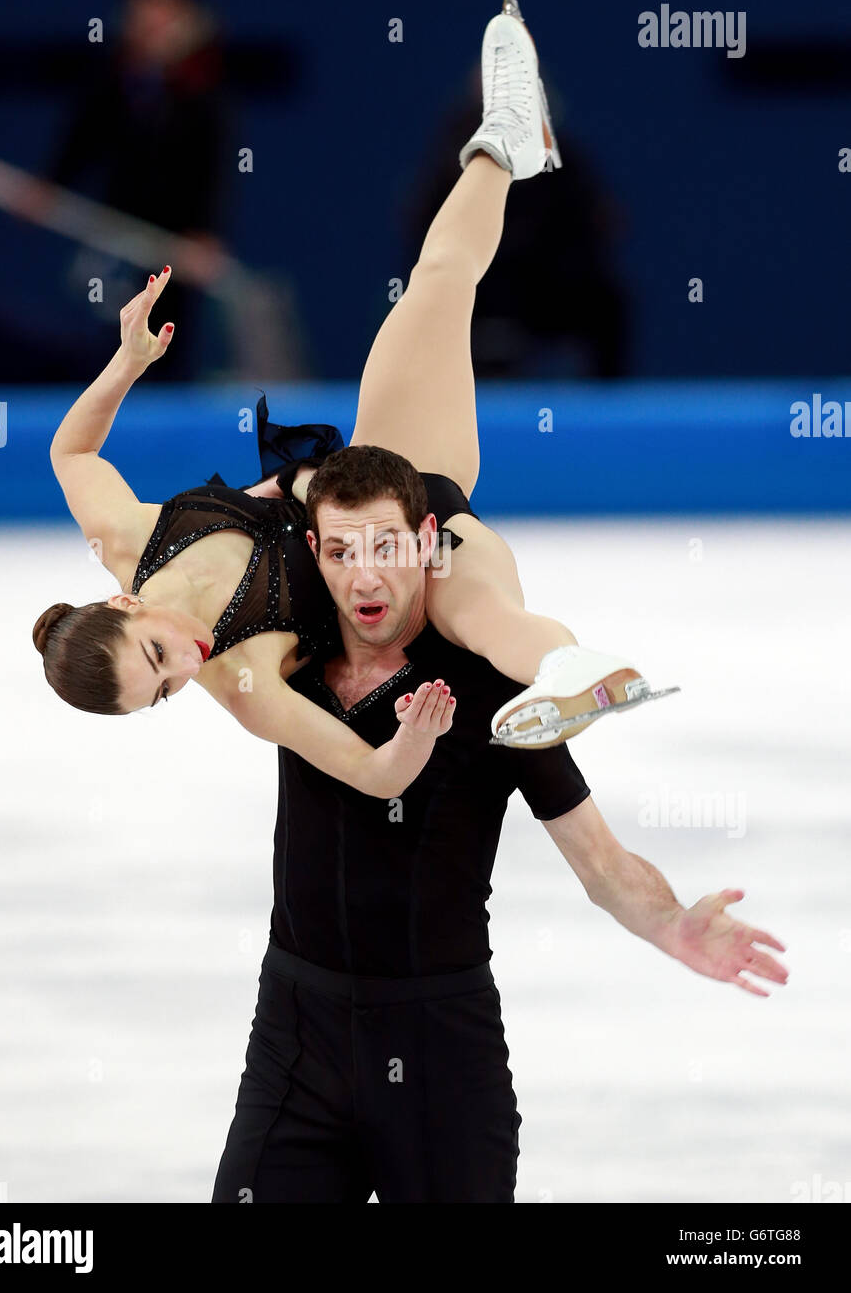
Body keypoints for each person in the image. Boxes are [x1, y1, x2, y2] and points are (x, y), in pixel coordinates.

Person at [33, 0, 675, 798]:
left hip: (384, 467)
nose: (182, 667)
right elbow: (373, 776)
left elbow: (72, 452)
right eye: (161, 694)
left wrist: (126, 363)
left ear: (122, 603)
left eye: (156, 655)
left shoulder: (130, 536)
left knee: (437, 285)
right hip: (411, 565)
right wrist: (413, 736)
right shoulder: (244, 686)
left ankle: (506, 141)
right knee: (471, 611)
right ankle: (571, 669)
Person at [210, 444, 789, 1203]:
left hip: (440, 1049)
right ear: (314, 551)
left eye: (387, 546)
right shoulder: (292, 666)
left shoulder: (489, 691)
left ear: (426, 542)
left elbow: (600, 863)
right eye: (344, 551)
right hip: (295, 1039)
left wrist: (672, 923)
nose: (365, 575)